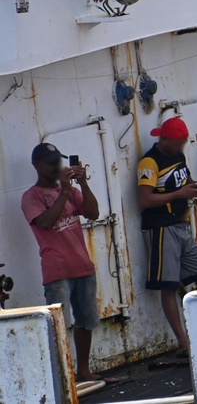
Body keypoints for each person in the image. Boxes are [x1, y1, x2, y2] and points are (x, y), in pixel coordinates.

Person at [21, 143, 114, 384]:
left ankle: (83, 371)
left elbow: (93, 213)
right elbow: (45, 223)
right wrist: (63, 192)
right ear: (37, 165)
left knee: (86, 320)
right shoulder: (31, 196)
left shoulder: (72, 191)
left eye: (57, 162)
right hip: (57, 270)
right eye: (50, 163)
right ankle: (63, 374)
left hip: (82, 266)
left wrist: (83, 183)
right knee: (59, 324)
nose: (56, 167)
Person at [137, 117, 197, 359]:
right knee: (168, 285)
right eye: (180, 142)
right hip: (161, 227)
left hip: (180, 226)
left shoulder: (177, 157)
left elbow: (185, 182)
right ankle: (183, 342)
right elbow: (145, 199)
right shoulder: (150, 162)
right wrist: (179, 193)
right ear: (166, 139)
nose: (183, 146)